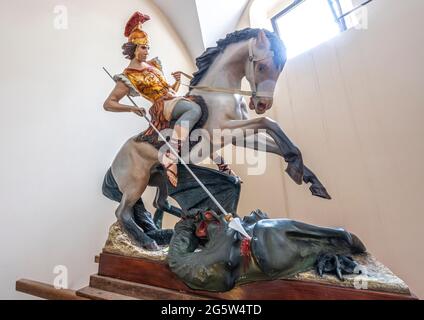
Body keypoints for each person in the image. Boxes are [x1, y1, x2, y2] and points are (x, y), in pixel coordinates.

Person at [103, 12, 203, 187]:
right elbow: (109, 103)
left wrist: (177, 82)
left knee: (203, 105)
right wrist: (131, 108)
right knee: (194, 110)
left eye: (148, 47)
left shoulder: (154, 66)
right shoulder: (128, 76)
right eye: (143, 47)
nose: (147, 51)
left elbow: (169, 90)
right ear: (133, 49)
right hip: (161, 106)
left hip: (172, 100)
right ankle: (170, 155)